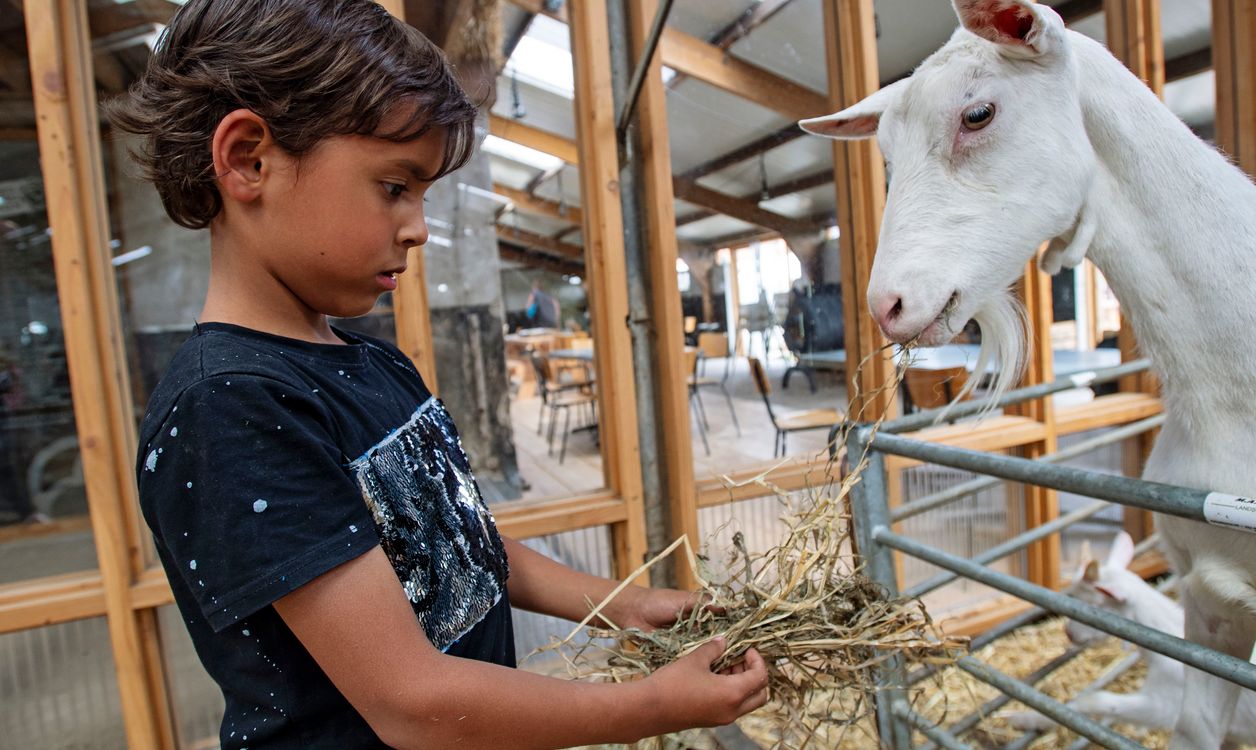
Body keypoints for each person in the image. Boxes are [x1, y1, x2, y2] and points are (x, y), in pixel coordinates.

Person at [107, 2, 767, 747]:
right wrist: (653, 707)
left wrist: (620, 602)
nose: (419, 225)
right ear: (249, 159)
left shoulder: (371, 361)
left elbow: (459, 544)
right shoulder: (229, 407)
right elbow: (413, 702)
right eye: (395, 186)